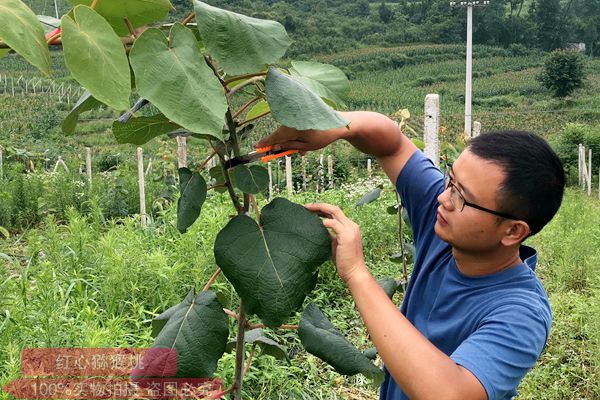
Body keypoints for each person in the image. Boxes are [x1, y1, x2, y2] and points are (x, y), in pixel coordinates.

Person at [256, 111, 565, 400]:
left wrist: (357, 274)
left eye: (462, 197)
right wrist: (334, 125)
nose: (443, 197)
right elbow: (391, 144)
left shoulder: (521, 314)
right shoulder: (446, 219)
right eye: (450, 180)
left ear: (512, 231)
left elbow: (449, 393)